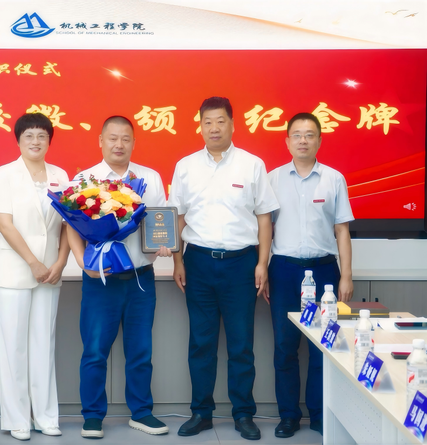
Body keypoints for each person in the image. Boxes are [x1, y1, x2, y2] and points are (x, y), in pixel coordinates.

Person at [168, 96, 279, 440]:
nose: (213, 128)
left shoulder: (252, 164)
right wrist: (177, 261)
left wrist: (262, 263)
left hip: (241, 264)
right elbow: (177, 218)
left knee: (241, 345)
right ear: (200, 126)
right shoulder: (185, 166)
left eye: (220, 121)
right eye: (207, 122)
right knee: (201, 344)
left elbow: (264, 219)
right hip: (198, 263)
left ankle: (243, 414)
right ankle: (201, 413)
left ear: (232, 124)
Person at [67, 115, 171, 439]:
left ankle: (141, 412)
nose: (119, 144)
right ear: (100, 140)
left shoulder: (149, 178)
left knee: (140, 351)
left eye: (125, 139)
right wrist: (82, 262)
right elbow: (71, 226)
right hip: (100, 279)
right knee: (95, 350)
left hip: (141, 278)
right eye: (112, 138)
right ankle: (92, 416)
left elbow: (161, 220)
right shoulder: (85, 179)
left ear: (134, 143)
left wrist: (164, 243)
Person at [268, 112, 354, 438]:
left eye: (309, 135)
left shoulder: (334, 179)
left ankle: (319, 415)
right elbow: (264, 229)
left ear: (319, 140)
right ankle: (289, 416)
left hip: (324, 271)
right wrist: (263, 270)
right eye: (297, 134)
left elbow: (342, 230)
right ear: (287, 140)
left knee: (323, 348)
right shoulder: (272, 179)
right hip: (283, 270)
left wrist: (347, 276)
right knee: (285, 347)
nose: (303, 140)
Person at [0, 113, 70, 441]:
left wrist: (61, 262)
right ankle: (18, 419)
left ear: (49, 140)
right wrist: (33, 262)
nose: (35, 141)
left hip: (50, 272)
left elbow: (68, 223)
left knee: (43, 344)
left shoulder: (60, 175)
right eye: (29, 136)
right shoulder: (5, 174)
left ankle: (46, 416)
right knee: (14, 347)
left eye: (42, 136)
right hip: (16, 270)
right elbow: (5, 224)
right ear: (19, 140)